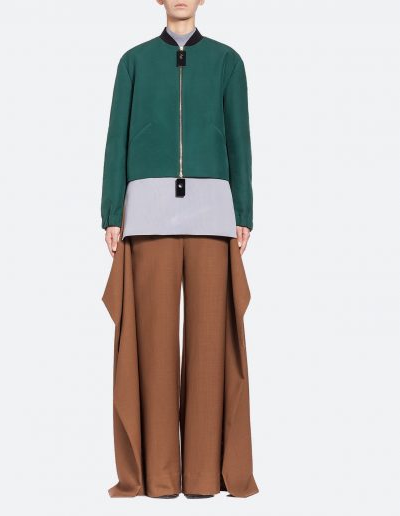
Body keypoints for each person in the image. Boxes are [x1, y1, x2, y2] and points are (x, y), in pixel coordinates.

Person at [101, 0, 259, 499]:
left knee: (211, 348)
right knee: (152, 347)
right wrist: (111, 212)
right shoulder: (133, 61)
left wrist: (243, 211)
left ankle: (203, 476)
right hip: (147, 216)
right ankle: (158, 476)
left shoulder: (227, 61)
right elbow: (116, 140)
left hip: (213, 215)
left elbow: (240, 140)